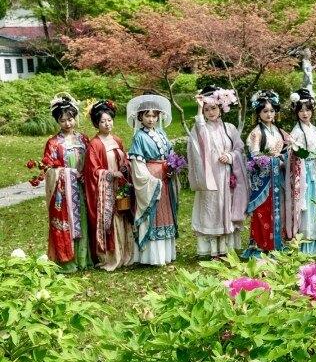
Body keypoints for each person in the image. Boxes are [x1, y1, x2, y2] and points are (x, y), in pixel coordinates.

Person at [187, 85, 248, 258]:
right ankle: (213, 249)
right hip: (211, 177)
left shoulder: (230, 128)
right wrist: (199, 108)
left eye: (213, 108)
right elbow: (199, 135)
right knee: (212, 210)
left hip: (228, 176)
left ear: (221, 108)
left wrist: (230, 157)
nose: (210, 112)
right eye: (206, 110)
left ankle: (227, 249)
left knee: (226, 209)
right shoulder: (202, 128)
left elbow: (240, 150)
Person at [126, 94, 179, 266]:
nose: (151, 119)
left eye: (154, 115)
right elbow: (137, 164)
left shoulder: (162, 132)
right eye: (147, 115)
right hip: (151, 179)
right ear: (140, 117)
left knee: (165, 213)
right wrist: (150, 180)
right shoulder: (139, 137)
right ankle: (152, 256)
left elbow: (170, 153)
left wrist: (172, 167)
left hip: (165, 178)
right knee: (153, 213)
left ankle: (166, 254)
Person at [43, 95, 93, 273]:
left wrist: (84, 174)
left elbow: (91, 161)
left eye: (70, 119)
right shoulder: (53, 143)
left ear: (75, 117)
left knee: (84, 221)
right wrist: (68, 173)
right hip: (63, 192)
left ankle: (84, 259)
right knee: (67, 223)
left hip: (82, 187)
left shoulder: (84, 139)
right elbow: (49, 169)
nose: (67, 123)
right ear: (57, 121)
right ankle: (67, 261)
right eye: (62, 120)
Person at [84, 99, 134, 271]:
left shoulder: (117, 140)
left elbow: (124, 159)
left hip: (119, 186)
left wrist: (127, 166)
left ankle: (125, 253)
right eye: (103, 121)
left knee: (122, 216)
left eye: (109, 120)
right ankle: (111, 256)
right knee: (111, 220)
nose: (107, 124)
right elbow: (92, 171)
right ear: (96, 123)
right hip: (105, 191)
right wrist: (111, 174)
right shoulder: (95, 144)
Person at [285, 88, 316, 255]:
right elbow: (292, 153)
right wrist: (300, 155)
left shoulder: (313, 128)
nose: (305, 113)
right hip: (303, 172)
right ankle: (306, 242)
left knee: (315, 202)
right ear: (296, 112)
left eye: (308, 110)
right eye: (301, 110)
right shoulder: (296, 132)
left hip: (314, 169)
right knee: (305, 204)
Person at [243, 90, 287, 257]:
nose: (269, 114)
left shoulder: (277, 130)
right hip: (263, 179)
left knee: (277, 209)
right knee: (262, 210)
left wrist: (282, 157)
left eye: (271, 111)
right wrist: (274, 161)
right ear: (258, 113)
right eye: (265, 111)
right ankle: (261, 244)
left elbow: (283, 150)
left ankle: (275, 242)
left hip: (276, 176)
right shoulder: (256, 133)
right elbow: (255, 156)